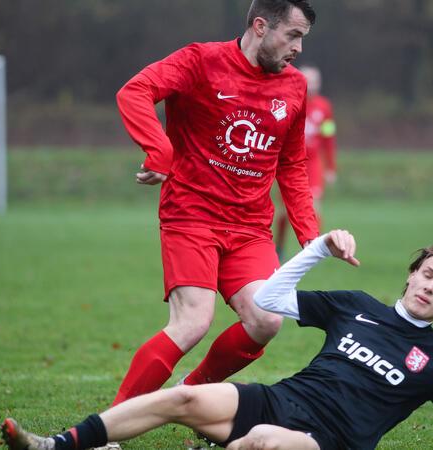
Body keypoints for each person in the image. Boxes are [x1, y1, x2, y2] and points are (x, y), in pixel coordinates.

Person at [2, 230, 433, 450]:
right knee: (180, 399)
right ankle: (58, 444)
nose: (430, 287)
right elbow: (269, 298)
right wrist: (319, 247)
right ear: (411, 274)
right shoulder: (355, 306)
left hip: (327, 441)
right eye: (426, 274)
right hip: (279, 399)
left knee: (263, 443)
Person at [110, 0, 320, 412]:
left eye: (302, 38)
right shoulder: (200, 61)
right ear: (260, 26)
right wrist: (159, 151)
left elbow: (292, 164)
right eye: (292, 35)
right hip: (192, 215)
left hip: (250, 228)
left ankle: (191, 390)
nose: (298, 48)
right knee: (192, 323)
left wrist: (311, 237)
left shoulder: (295, 87)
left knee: (267, 319)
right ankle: (109, 424)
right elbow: (134, 92)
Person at [275, 65, 337, 259]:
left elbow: (328, 137)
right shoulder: (288, 101)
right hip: (290, 163)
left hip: (313, 164)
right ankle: (279, 246)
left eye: (315, 81)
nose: (312, 85)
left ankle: (313, 251)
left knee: (314, 206)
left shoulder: (324, 107)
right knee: (285, 212)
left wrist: (331, 166)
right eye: (308, 81)